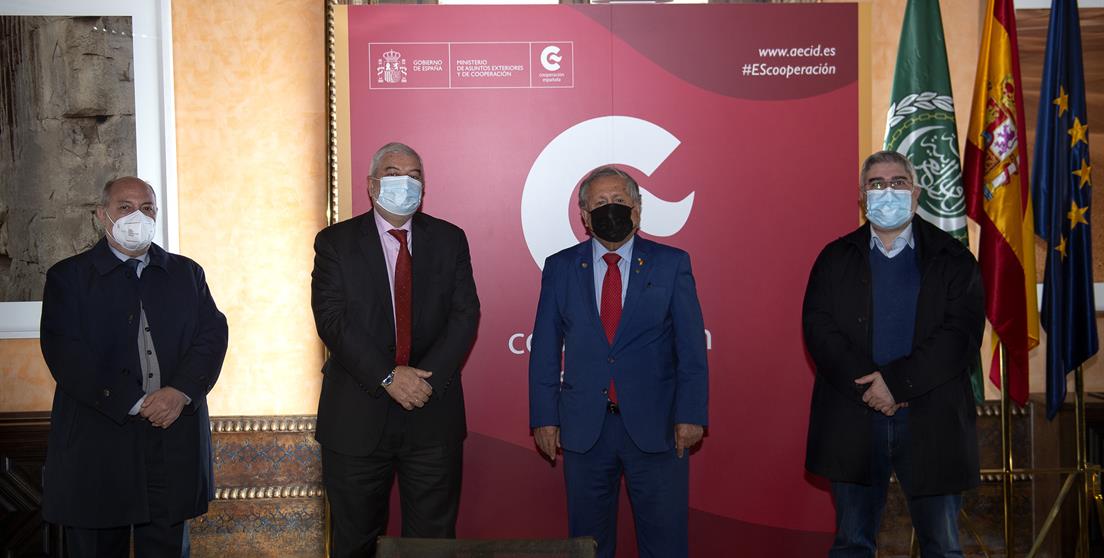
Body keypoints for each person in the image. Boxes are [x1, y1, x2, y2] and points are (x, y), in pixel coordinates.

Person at [802, 150, 985, 557]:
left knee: (942, 546)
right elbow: (818, 328)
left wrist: (896, 384)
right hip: (854, 418)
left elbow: (960, 335)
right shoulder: (834, 258)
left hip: (931, 419)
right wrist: (871, 388)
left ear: (916, 193)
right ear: (862, 196)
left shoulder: (954, 258)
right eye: (877, 183)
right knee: (852, 544)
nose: (888, 191)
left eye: (898, 182)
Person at [40, 176, 228, 557]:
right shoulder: (68, 278)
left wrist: (180, 393)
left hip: (170, 443)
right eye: (125, 207)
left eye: (146, 208)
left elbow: (212, 336)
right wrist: (135, 402)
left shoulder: (187, 274)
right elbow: (66, 353)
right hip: (97, 445)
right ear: (102, 215)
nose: (136, 217)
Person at [528, 166, 708, 558]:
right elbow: (545, 349)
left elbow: (691, 348)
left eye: (619, 201)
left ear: (637, 209)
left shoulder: (671, 263)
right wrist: (544, 418)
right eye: (600, 203)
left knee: (665, 544)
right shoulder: (560, 268)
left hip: (657, 427)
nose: (611, 209)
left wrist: (691, 413)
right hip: (584, 429)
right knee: (588, 546)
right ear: (584, 215)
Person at [311, 142, 480, 557]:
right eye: (392, 173)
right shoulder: (335, 242)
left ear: (424, 187)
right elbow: (331, 319)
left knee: (431, 544)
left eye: (414, 175)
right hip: (355, 417)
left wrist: (424, 382)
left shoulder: (450, 239)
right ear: (371, 185)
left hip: (431, 413)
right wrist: (387, 376)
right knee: (354, 541)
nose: (404, 182)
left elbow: (465, 316)